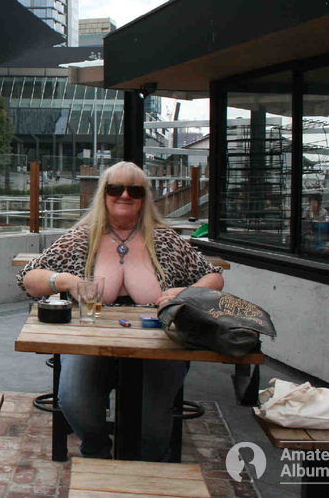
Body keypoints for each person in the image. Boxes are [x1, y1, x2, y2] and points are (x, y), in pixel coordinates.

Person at [17, 161, 223, 461]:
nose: (125, 195)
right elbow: (28, 278)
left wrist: (187, 293)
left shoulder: (165, 240)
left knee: (153, 421)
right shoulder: (83, 238)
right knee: (74, 399)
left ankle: (149, 470)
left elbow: (214, 277)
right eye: (116, 188)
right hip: (91, 338)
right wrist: (66, 280)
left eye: (134, 190)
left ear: (144, 198)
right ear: (103, 194)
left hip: (160, 340)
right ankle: (96, 448)